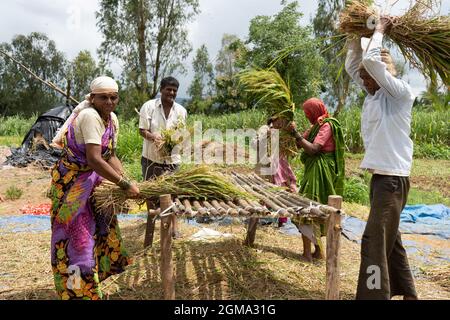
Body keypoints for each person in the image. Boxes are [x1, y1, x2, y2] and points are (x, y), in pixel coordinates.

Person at [345, 17, 418, 300]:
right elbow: (355, 67)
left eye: (367, 77)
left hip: (392, 181)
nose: (363, 81)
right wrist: (355, 35)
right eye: (363, 77)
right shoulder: (374, 96)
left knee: (374, 241)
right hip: (381, 180)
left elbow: (372, 64)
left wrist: (379, 31)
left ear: (383, 73)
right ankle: (408, 293)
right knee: (392, 239)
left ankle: (373, 296)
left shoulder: (399, 94)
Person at [49, 76, 140, 300]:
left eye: (113, 97)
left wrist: (128, 179)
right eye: (103, 97)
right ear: (92, 98)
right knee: (77, 240)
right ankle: (77, 292)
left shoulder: (112, 118)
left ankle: (92, 285)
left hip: (94, 183)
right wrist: (124, 184)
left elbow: (111, 156)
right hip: (73, 186)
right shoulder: (89, 116)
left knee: (101, 232)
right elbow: (94, 160)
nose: (109, 101)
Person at [289, 98, 345, 262]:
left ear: (314, 111)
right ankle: (318, 251)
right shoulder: (315, 126)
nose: (307, 116)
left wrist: (295, 133)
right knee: (313, 208)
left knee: (308, 208)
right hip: (313, 171)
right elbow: (300, 144)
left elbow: (313, 149)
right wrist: (291, 131)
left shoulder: (326, 126)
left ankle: (309, 253)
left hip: (320, 173)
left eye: (308, 113)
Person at [139, 76, 187, 239]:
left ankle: (175, 228)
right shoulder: (149, 106)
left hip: (172, 160)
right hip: (151, 158)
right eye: (168, 89)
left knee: (173, 194)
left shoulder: (181, 111)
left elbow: (181, 133)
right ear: (161, 90)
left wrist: (173, 139)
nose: (171, 93)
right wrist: (155, 138)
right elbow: (142, 130)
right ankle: (151, 224)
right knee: (151, 193)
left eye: (174, 90)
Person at [253, 114, 297, 228]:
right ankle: (261, 218)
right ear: (274, 119)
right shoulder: (265, 129)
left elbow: (292, 149)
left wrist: (292, 133)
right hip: (264, 167)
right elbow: (254, 144)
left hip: (280, 168)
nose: (282, 122)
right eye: (280, 120)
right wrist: (266, 136)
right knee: (263, 193)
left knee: (280, 192)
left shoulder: (284, 132)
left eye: (284, 120)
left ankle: (279, 219)